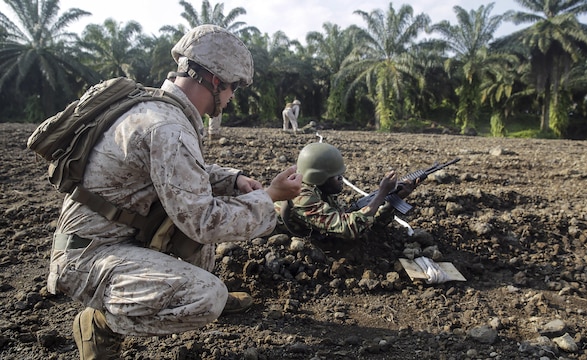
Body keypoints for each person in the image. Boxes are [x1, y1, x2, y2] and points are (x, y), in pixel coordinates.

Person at [48, 25, 302, 359]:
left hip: (111, 237)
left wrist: (233, 180)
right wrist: (269, 196)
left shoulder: (156, 108)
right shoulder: (168, 128)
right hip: (89, 256)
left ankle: (189, 290)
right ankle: (100, 323)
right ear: (214, 79)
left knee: (199, 223)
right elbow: (205, 222)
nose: (232, 96)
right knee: (206, 295)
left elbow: (179, 177)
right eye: (233, 86)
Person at [275, 142, 417, 240]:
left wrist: (393, 201)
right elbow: (349, 229)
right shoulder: (302, 197)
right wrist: (381, 194)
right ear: (319, 177)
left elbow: (364, 226)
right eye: (337, 176)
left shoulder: (321, 191)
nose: (341, 179)